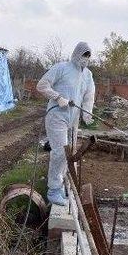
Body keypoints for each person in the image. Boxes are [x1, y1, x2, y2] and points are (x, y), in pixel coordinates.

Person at [36, 42, 95, 205]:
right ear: (77, 54)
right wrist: (57, 97)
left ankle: (62, 186)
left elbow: (89, 95)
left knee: (70, 154)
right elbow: (41, 85)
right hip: (57, 116)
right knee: (60, 152)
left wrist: (87, 113)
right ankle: (53, 190)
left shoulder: (88, 75)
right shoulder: (61, 68)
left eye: (88, 56)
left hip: (73, 119)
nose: (85, 59)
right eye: (84, 55)